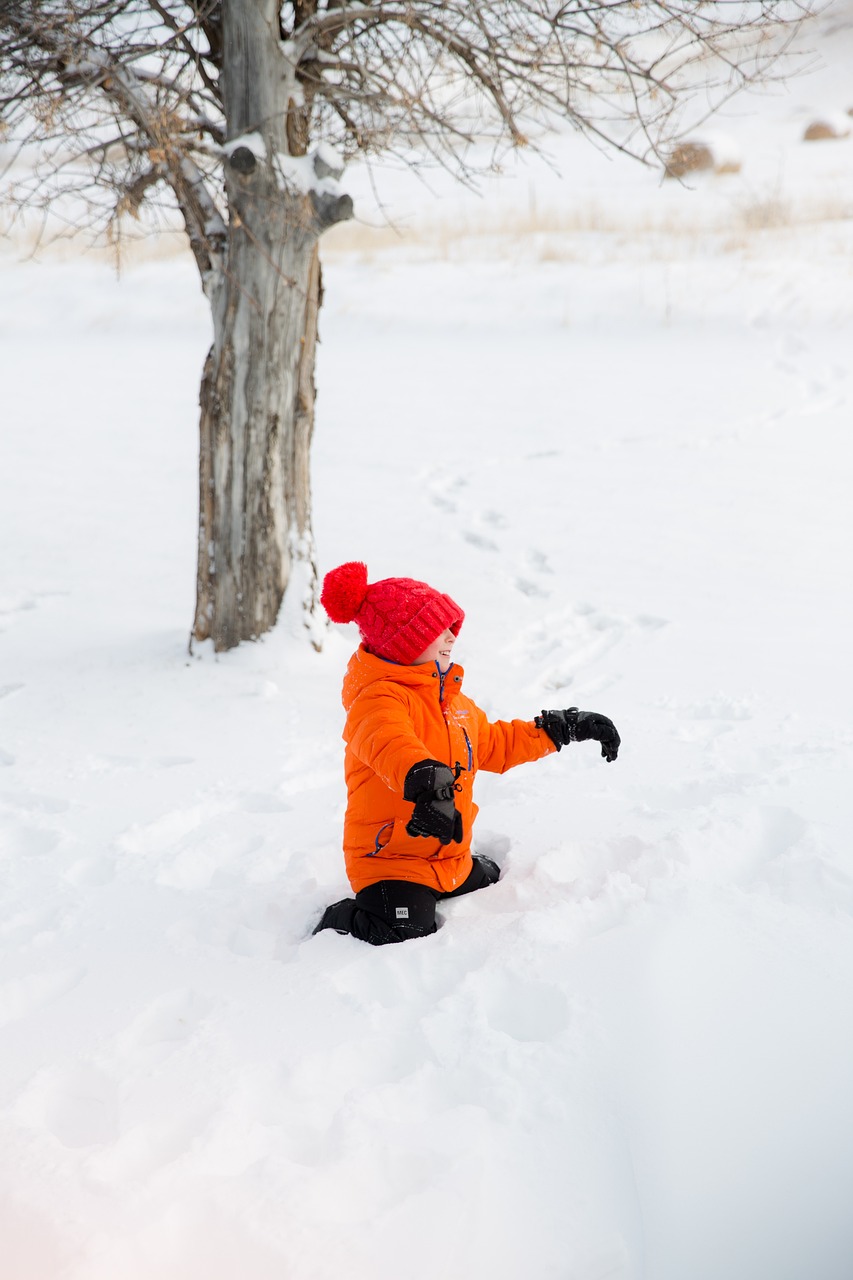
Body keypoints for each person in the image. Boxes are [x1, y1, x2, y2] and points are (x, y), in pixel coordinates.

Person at [313, 561, 620, 945]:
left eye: (451, 627)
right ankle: (341, 916)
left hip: (449, 858)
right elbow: (390, 743)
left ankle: (454, 872)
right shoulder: (375, 701)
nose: (450, 637)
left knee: (493, 880)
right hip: (391, 862)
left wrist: (561, 729)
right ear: (403, 644)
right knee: (406, 930)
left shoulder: (452, 704)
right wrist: (425, 780)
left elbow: (496, 744)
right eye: (436, 630)